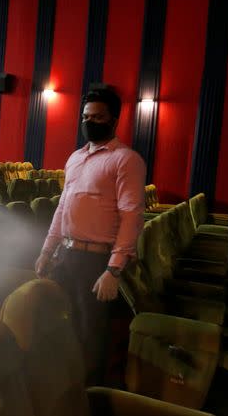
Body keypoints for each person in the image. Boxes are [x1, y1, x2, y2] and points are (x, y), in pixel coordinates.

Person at [34, 87, 145, 385]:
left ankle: (86, 398)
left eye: (98, 117)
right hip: (66, 256)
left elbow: (132, 216)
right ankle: (60, 389)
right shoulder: (75, 158)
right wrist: (47, 251)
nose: (90, 122)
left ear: (114, 120)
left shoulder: (126, 160)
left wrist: (114, 269)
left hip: (96, 261)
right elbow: (62, 209)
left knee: (91, 335)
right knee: (60, 327)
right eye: (85, 116)